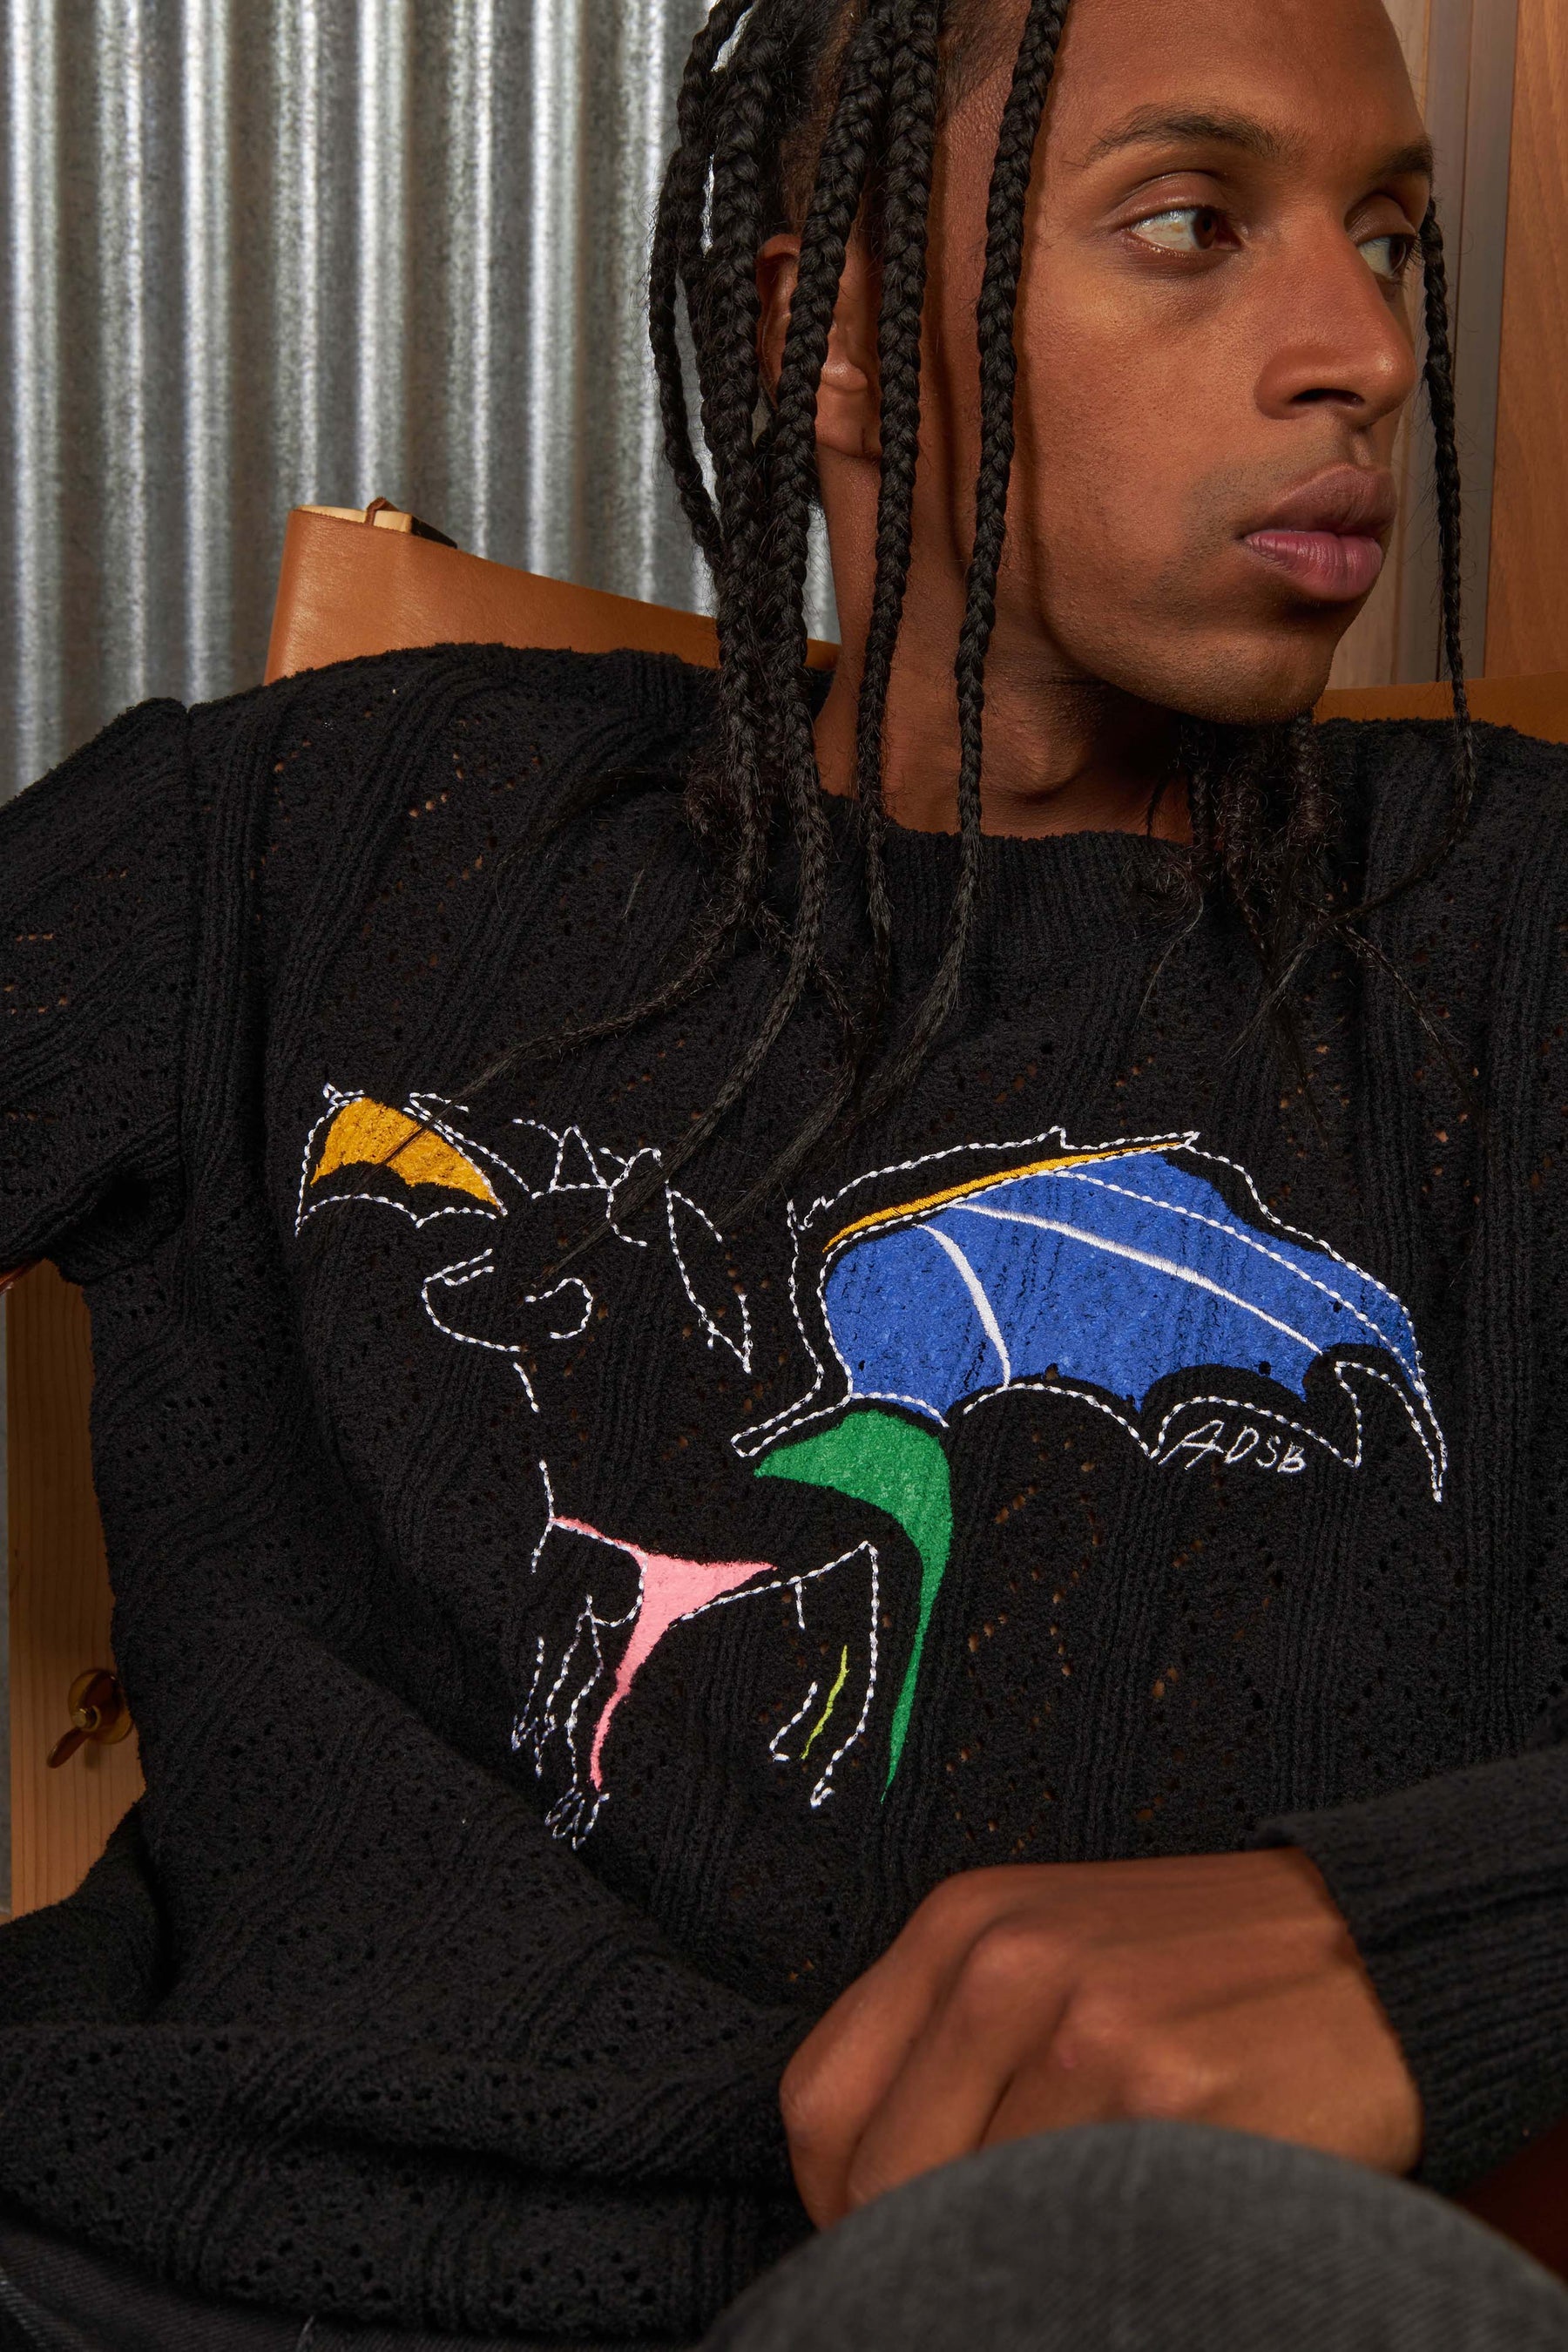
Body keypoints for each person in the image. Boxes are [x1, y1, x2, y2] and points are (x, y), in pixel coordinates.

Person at [3, 0, 1567, 2343]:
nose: (1358, 346)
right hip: (141, 2247)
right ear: (830, 334)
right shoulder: (342, 823)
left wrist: (1442, 1931)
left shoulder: (1509, 931)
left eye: (1391, 241)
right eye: (1190, 222)